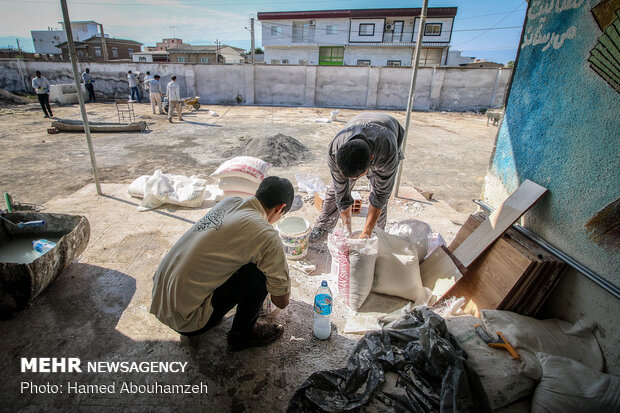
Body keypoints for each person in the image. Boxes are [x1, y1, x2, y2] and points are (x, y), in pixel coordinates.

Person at [150, 176, 294, 351]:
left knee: (241, 257)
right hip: (187, 320)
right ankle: (242, 336)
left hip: (160, 299)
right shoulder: (266, 235)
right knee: (259, 272)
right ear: (281, 208)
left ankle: (209, 308)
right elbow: (281, 301)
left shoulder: (230, 202)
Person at [309, 112, 404, 241]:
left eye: (357, 176)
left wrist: (366, 232)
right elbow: (341, 192)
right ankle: (323, 225)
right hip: (360, 125)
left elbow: (380, 196)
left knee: (380, 194)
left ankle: (376, 233)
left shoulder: (387, 154)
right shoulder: (334, 151)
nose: (354, 179)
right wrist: (346, 227)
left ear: (371, 160)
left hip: (388, 131)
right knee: (336, 189)